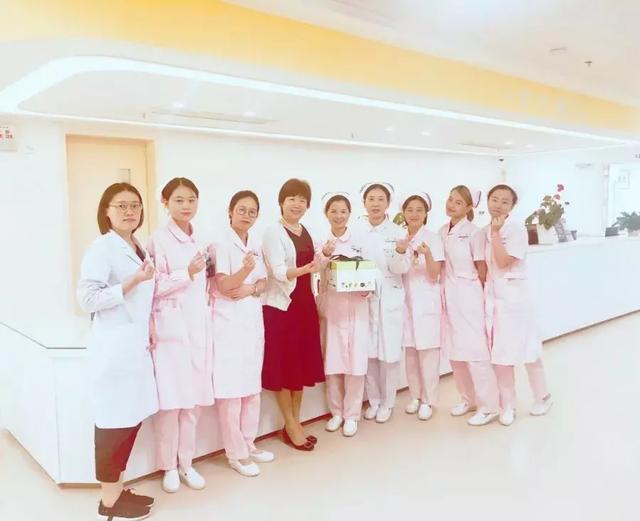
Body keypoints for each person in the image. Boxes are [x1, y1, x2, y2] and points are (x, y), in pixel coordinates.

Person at [77, 182, 157, 521]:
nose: (129, 211)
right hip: (113, 349)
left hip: (133, 347)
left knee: (129, 419)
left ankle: (118, 489)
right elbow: (87, 299)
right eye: (121, 205)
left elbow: (143, 298)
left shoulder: (136, 246)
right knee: (113, 425)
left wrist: (149, 323)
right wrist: (133, 281)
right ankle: (108, 502)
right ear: (106, 211)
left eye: (135, 205)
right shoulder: (101, 248)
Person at [147, 177, 214, 493]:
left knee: (193, 403)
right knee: (172, 403)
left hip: (198, 326)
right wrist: (186, 273)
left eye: (191, 200)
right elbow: (153, 287)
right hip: (171, 329)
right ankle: (169, 467)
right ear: (166, 203)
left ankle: (187, 463)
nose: (186, 206)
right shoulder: (157, 240)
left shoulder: (201, 239)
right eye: (178, 200)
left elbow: (206, 284)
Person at [211, 190, 274, 476]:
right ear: (230, 211)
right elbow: (225, 286)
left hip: (251, 321)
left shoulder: (255, 243)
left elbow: (263, 282)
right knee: (231, 393)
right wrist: (246, 273)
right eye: (241, 210)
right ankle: (235, 453)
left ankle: (249, 443)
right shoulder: (221, 243)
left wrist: (250, 287)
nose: (246, 215)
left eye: (252, 211)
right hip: (228, 325)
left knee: (251, 389)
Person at [261, 178, 325, 450]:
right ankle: (290, 424)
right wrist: (304, 270)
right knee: (285, 368)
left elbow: (317, 263)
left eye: (302, 200)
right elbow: (277, 271)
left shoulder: (305, 230)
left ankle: (294, 423)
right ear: (281, 202)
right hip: (282, 308)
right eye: (292, 199)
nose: (297, 204)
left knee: (299, 367)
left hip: (304, 303)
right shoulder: (272, 232)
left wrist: (324, 257)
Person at [484, 184, 553, 426]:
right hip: (495, 299)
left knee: (528, 350)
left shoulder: (516, 229)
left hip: (516, 299)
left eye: (505, 201)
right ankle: (508, 405)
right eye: (494, 199)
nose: (498, 205)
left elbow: (503, 262)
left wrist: (495, 234)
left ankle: (543, 396)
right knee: (500, 354)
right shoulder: (486, 229)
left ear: (512, 206)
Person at [440, 185, 500, 426]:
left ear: (468, 208)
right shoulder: (442, 230)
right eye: (450, 199)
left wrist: (482, 296)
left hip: (469, 295)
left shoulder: (474, 233)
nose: (451, 205)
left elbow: (482, 268)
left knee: (476, 351)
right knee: (455, 351)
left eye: (458, 202)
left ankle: (489, 406)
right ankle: (468, 399)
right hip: (449, 294)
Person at [317, 193, 372, 437]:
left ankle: (352, 415)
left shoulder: (360, 240)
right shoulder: (321, 241)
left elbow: (372, 269)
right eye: (333, 211)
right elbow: (316, 269)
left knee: (355, 363)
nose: (338, 216)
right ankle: (336, 413)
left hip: (357, 306)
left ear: (349, 213)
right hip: (332, 307)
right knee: (333, 362)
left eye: (343, 211)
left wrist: (365, 288)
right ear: (326, 213)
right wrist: (324, 254)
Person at [359, 182, 411, 423]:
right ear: (364, 203)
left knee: (389, 354)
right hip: (365, 297)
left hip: (390, 295)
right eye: (371, 199)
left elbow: (401, 268)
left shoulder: (398, 232)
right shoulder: (357, 232)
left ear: (388, 204)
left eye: (381, 199)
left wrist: (400, 252)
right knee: (369, 353)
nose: (376, 204)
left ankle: (388, 403)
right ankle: (374, 400)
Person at [400, 193, 445, 421]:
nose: (414, 214)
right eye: (410, 210)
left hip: (426, 301)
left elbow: (435, 273)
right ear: (403, 213)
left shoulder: (432, 238)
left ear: (426, 213)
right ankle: (415, 396)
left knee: (427, 354)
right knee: (410, 353)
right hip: (406, 302)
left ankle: (429, 400)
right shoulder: (401, 238)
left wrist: (427, 255)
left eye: (419, 210)